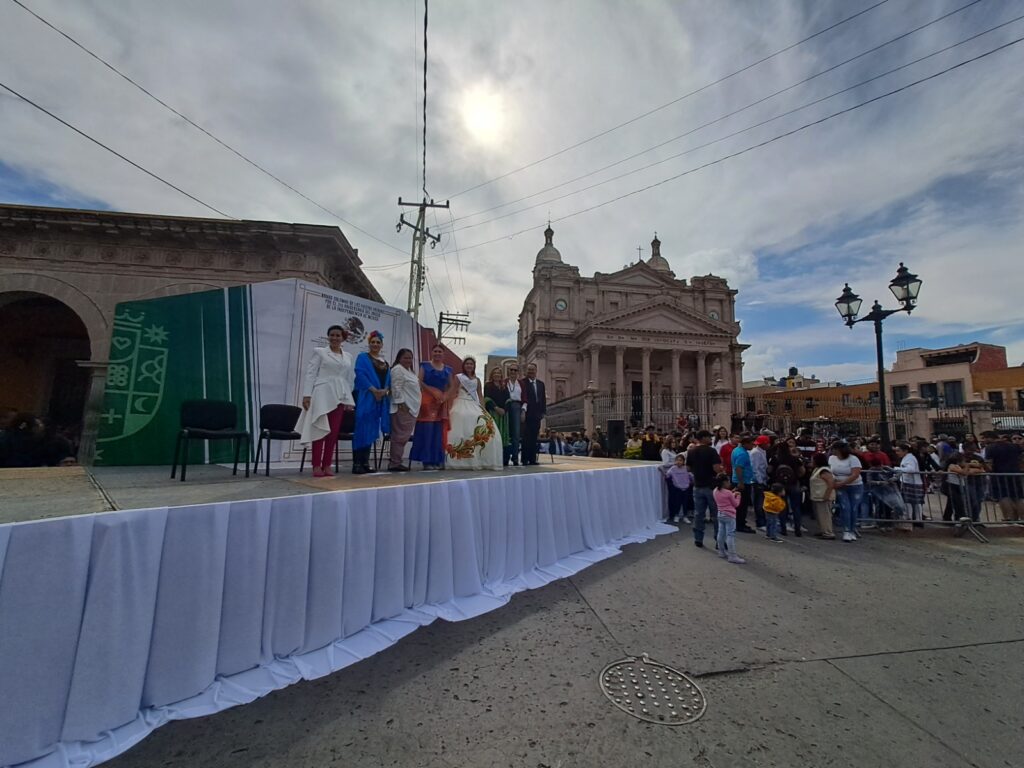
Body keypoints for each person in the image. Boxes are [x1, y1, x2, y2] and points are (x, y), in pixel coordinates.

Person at [297, 325, 355, 477]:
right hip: (322, 393)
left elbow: (349, 378)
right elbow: (311, 373)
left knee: (333, 432)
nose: (335, 338)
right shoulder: (320, 352)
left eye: (338, 335)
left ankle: (327, 464)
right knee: (320, 428)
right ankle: (316, 465)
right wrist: (306, 395)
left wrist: (349, 399)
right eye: (332, 335)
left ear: (343, 338)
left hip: (339, 396)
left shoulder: (348, 356)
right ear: (328, 337)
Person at [445, 357, 503, 470]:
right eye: (467, 364)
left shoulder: (477, 380)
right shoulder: (458, 377)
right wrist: (449, 405)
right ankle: (458, 457)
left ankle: (482, 458)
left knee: (487, 426)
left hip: (473, 404)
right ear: (464, 365)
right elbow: (453, 391)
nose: (469, 366)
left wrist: (484, 409)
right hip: (460, 402)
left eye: (471, 364)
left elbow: (480, 396)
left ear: (474, 366)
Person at [352, 330, 391, 474]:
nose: (375, 344)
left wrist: (384, 391)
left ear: (381, 345)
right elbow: (360, 374)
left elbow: (388, 380)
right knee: (361, 429)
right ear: (369, 344)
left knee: (372, 430)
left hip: (379, 399)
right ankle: (357, 464)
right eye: (372, 342)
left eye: (378, 342)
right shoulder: (362, 357)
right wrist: (374, 390)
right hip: (365, 397)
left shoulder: (385, 362)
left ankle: (365, 463)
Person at [411, 344, 452, 469]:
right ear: (431, 352)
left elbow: (451, 386)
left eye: (440, 351)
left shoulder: (448, 369)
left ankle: (437, 459)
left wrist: (445, 396)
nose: (437, 353)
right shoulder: (425, 365)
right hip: (427, 401)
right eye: (435, 351)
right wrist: (432, 391)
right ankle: (426, 460)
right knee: (427, 430)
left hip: (440, 402)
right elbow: (419, 381)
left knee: (438, 431)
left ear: (443, 354)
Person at [686, 430, 723, 549]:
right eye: (709, 437)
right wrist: (722, 470)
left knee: (699, 513)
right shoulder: (711, 451)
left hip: (697, 485)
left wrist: (698, 471)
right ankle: (719, 540)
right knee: (716, 514)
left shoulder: (691, 451)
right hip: (710, 485)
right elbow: (716, 468)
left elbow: (688, 468)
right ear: (703, 438)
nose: (711, 439)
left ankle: (698, 538)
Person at [387, 348, 420, 471]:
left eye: (410, 358)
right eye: (405, 357)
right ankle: (395, 463)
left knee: (403, 437)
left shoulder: (409, 371)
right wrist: (401, 404)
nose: (408, 360)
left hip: (411, 409)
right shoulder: (397, 370)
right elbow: (396, 387)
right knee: (399, 437)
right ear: (399, 358)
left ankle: (397, 461)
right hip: (403, 408)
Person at [982, 431, 1023, 522]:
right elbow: (1020, 460)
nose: (983, 440)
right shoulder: (1014, 446)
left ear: (989, 438)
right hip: (1015, 474)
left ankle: (1009, 518)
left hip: (999, 475)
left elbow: (989, 464)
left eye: (984, 438)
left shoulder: (990, 448)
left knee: (1003, 496)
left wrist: (987, 469)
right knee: (1019, 497)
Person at [829, 441, 864, 542]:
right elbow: (830, 470)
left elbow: (855, 474)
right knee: (845, 507)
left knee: (853, 508)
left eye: (834, 449)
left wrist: (842, 483)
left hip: (855, 486)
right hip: (840, 486)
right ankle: (846, 530)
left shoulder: (853, 459)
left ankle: (852, 530)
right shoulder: (831, 458)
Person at [713, 474, 745, 564]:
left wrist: (732, 493)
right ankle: (732, 556)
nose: (729, 483)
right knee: (730, 535)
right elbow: (736, 504)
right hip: (730, 515)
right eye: (728, 481)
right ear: (725, 482)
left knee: (721, 533)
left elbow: (725, 496)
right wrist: (738, 496)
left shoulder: (715, 491)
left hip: (720, 514)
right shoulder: (728, 493)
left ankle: (721, 551)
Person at [483, 366, 512, 466]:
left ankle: (504, 459)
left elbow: (508, 399)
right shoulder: (488, 385)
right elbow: (486, 399)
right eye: (495, 373)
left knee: (504, 437)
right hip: (493, 413)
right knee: (493, 435)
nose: (497, 375)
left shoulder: (504, 386)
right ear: (492, 375)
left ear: (501, 375)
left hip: (504, 415)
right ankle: (492, 459)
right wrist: (496, 408)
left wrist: (504, 409)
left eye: (498, 373)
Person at [892, 441, 924, 527]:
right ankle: (911, 518)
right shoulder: (906, 458)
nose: (897, 453)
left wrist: (896, 469)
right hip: (907, 481)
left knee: (914, 502)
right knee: (908, 501)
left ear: (905, 451)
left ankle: (916, 519)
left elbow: (911, 469)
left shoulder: (910, 458)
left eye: (899, 451)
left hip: (912, 482)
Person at [520, 362, 546, 465]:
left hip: (537, 414)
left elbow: (543, 399)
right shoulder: (522, 382)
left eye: (533, 369)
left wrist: (543, 411)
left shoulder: (541, 384)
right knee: (526, 437)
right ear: (526, 371)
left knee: (534, 437)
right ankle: (525, 459)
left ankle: (532, 459)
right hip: (527, 413)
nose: (531, 371)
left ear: (536, 371)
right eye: (529, 369)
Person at [731, 434, 756, 533]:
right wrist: (741, 482)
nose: (752, 446)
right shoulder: (742, 454)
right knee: (742, 505)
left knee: (739, 504)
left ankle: (740, 522)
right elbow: (738, 468)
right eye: (751, 444)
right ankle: (740, 524)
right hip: (743, 481)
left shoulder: (737, 450)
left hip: (738, 480)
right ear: (745, 443)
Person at [808, 453, 836, 539]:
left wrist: (826, 496)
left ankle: (828, 533)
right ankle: (823, 530)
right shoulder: (817, 469)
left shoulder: (824, 471)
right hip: (817, 496)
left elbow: (831, 484)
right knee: (820, 515)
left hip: (824, 496)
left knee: (825, 515)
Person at [662, 453, 693, 524]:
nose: (679, 462)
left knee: (685, 503)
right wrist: (662, 471)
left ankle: (685, 516)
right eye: (677, 460)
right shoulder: (673, 468)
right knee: (677, 503)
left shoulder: (686, 468)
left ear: (683, 461)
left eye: (681, 460)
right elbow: (667, 475)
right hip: (677, 488)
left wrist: (692, 480)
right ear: (675, 461)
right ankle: (677, 515)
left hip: (685, 488)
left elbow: (690, 475)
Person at [504, 363, 523, 465]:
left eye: (515, 370)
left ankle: (515, 458)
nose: (513, 372)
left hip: (517, 406)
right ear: (508, 371)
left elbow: (525, 398)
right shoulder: (504, 382)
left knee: (516, 433)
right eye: (511, 370)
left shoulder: (520, 384)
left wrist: (523, 410)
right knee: (506, 432)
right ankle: (505, 457)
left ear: (518, 372)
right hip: (506, 406)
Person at [750, 435, 770, 530]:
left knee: (762, 502)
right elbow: (755, 468)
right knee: (759, 502)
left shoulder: (763, 452)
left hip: (763, 479)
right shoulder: (756, 453)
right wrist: (760, 481)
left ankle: (763, 520)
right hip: (758, 481)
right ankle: (760, 522)